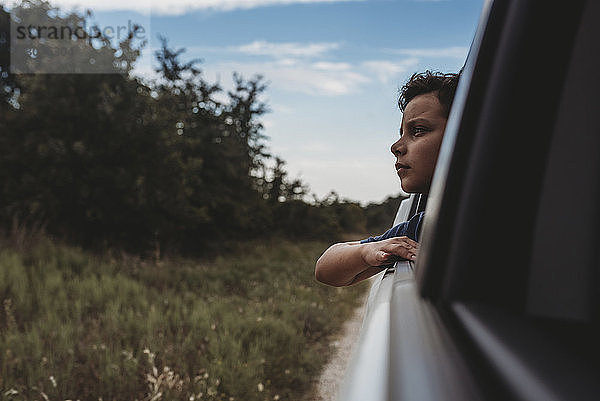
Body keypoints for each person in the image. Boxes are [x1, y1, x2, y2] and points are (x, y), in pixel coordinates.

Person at [315, 71, 460, 287]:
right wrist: (367, 250)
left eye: (418, 130)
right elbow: (325, 269)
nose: (396, 147)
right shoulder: (425, 226)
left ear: (463, 135)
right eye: (401, 133)